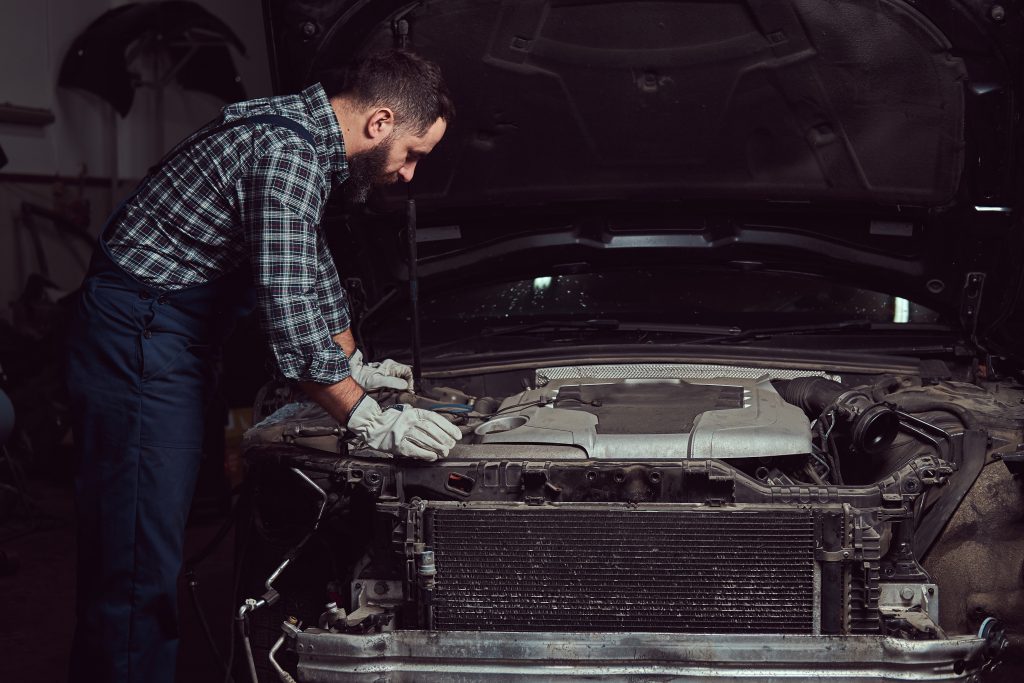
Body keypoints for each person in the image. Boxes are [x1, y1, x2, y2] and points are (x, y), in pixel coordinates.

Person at [65, 49, 459, 683]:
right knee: (137, 562)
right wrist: (364, 415)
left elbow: (310, 269)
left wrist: (356, 363)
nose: (411, 174)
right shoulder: (285, 155)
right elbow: (285, 306)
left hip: (168, 335)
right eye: (413, 153)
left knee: (150, 542)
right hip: (140, 339)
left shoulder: (301, 141)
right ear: (380, 121)